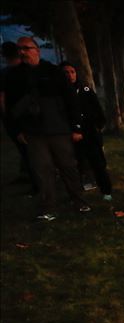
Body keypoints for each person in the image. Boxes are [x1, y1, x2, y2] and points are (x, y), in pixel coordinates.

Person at [4, 36, 89, 220]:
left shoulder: (53, 72)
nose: (23, 52)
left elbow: (70, 100)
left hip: (58, 128)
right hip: (33, 131)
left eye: (27, 48)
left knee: (68, 166)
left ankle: (79, 201)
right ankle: (48, 207)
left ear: (37, 50)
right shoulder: (15, 76)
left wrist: (76, 127)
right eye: (20, 49)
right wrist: (17, 130)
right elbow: (10, 106)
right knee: (43, 170)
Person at [60, 61, 112, 201]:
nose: (70, 75)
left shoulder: (85, 91)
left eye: (72, 72)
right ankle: (76, 194)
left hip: (89, 134)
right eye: (66, 72)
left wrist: (94, 128)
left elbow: (98, 113)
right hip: (69, 136)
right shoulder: (59, 95)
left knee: (98, 164)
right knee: (73, 166)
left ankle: (106, 191)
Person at [0, 40, 36, 192]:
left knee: (27, 149)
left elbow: (2, 98)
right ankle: (30, 175)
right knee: (31, 148)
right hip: (31, 114)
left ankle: (35, 180)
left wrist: (7, 117)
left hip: (16, 117)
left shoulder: (6, 73)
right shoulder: (28, 70)